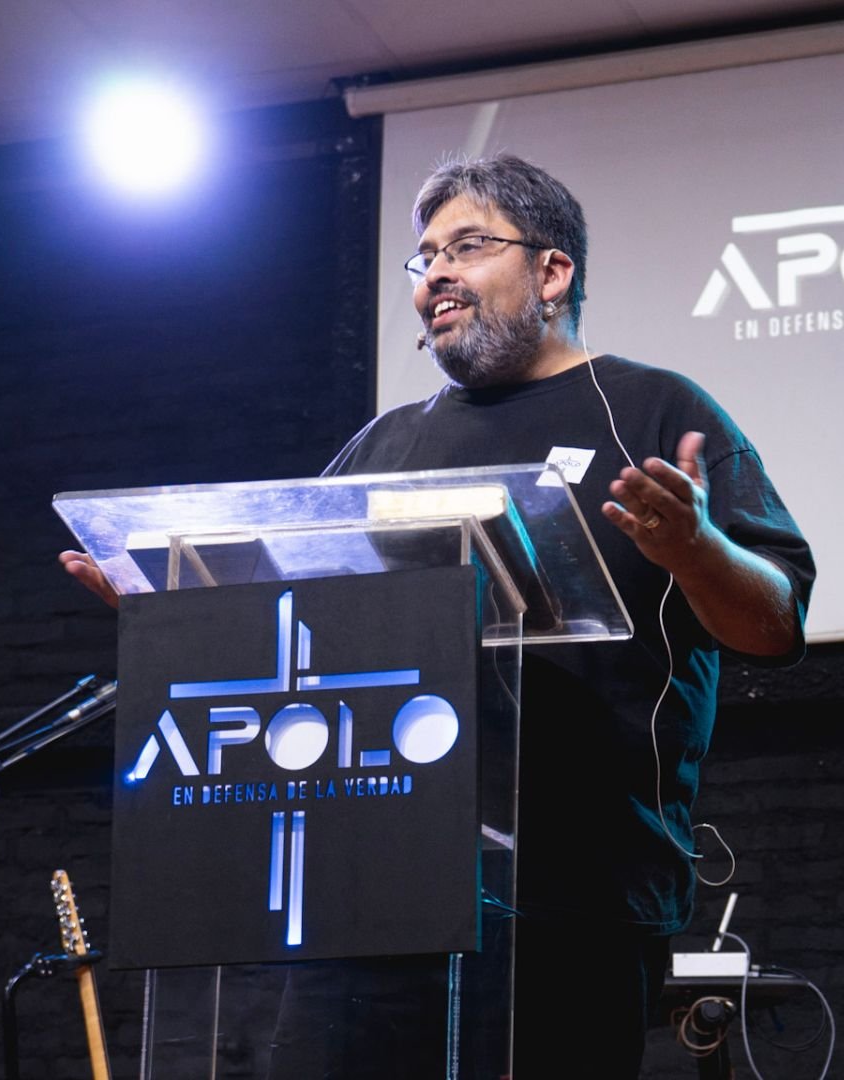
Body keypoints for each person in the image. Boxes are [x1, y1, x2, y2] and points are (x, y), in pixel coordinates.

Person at [60, 154, 815, 1077]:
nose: (435, 276)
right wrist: (182, 617)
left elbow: (775, 627)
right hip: (368, 885)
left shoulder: (654, 412)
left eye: (467, 247)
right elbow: (298, 633)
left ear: (552, 271)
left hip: (574, 896)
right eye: (425, 258)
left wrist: (697, 550)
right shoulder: (386, 444)